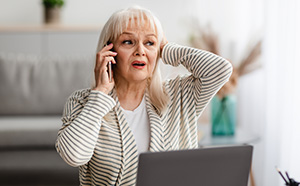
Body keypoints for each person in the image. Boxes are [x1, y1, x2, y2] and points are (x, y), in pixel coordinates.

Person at [56, 6, 232, 186]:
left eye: (149, 43)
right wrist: (100, 93)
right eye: (128, 42)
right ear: (109, 51)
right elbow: (73, 155)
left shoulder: (179, 94)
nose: (140, 51)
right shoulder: (83, 101)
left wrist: (166, 49)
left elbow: (221, 70)